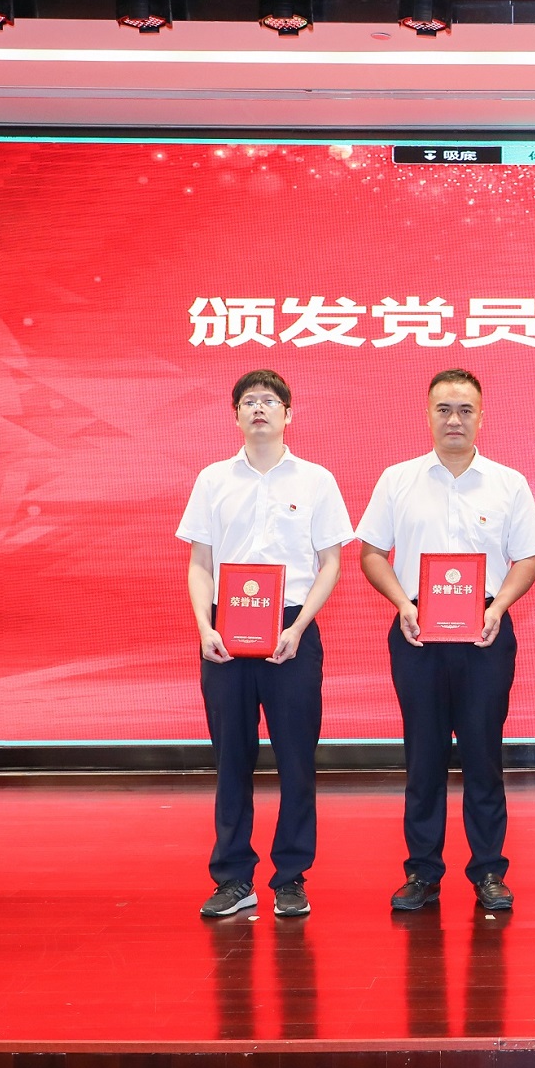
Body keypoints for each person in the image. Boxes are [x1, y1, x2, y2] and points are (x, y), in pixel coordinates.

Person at [358, 368, 535, 913]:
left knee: (484, 756)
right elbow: (372, 553)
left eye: (465, 409)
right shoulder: (397, 480)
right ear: (428, 415)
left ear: (482, 416)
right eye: (444, 409)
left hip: (485, 633)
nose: (454, 419)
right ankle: (422, 871)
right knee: (424, 757)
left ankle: (489, 871)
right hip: (417, 632)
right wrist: (403, 604)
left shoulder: (508, 483)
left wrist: (499, 607)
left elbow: (528, 558)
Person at [178, 368, 353, 920]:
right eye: (249, 401)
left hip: (292, 629)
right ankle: (233, 878)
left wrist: (298, 629)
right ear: (235, 415)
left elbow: (331, 562)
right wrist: (204, 627)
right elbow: (200, 563)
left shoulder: (316, 480)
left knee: (297, 760)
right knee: (231, 759)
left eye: (270, 401)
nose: (259, 408)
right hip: (224, 633)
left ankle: (291, 877)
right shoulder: (213, 480)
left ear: (288, 414)